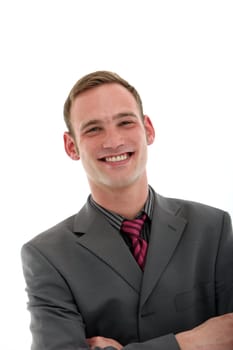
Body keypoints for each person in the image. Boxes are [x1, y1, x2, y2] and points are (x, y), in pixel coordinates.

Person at [21, 70, 233, 350]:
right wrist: (189, 342)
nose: (113, 140)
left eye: (125, 122)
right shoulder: (46, 256)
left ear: (148, 129)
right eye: (94, 129)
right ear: (71, 146)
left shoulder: (212, 228)